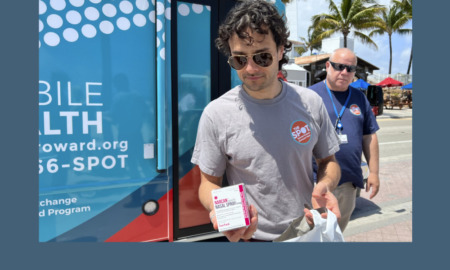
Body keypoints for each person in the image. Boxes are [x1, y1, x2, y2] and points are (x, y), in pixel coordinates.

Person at [191, 0, 341, 242]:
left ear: (281, 50)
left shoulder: (310, 103)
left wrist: (325, 185)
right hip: (250, 238)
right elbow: (208, 183)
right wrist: (220, 209)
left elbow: (328, 161)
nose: (250, 68)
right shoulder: (215, 114)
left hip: (305, 230)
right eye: (239, 59)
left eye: (262, 57)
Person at [309, 48, 380, 232]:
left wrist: (373, 172)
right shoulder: (309, 96)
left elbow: (369, 136)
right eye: (339, 67)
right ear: (327, 66)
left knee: (337, 233)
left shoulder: (360, 98)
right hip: (317, 182)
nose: (344, 72)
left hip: (349, 182)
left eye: (350, 69)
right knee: (313, 234)